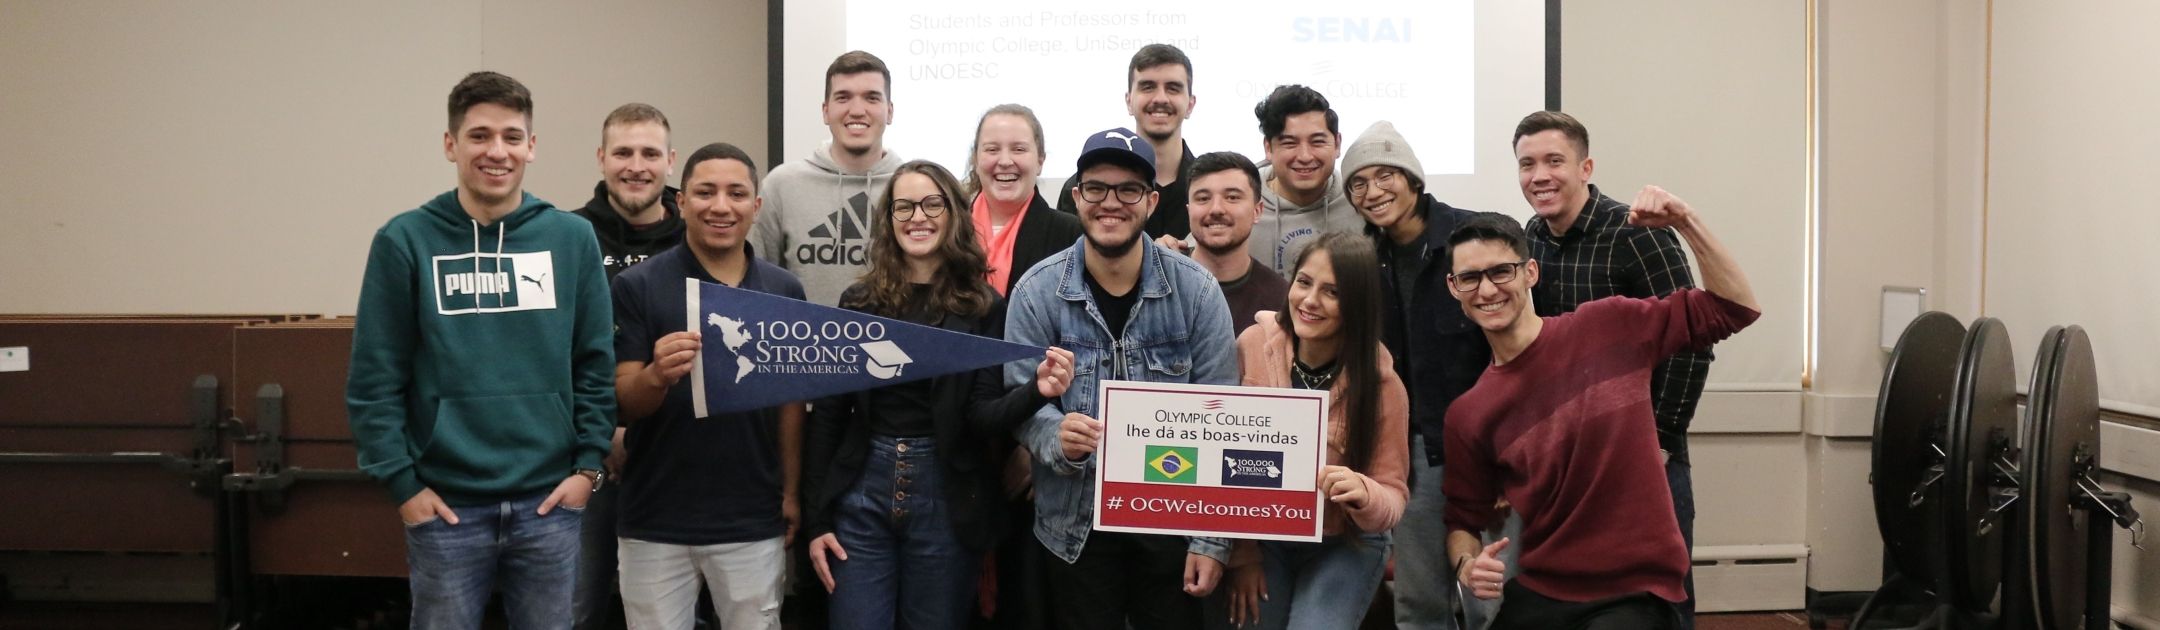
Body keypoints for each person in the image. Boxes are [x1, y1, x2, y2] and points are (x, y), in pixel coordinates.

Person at [346, 70, 614, 630]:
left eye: (513, 137)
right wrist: (403, 485)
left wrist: (587, 468)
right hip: (445, 508)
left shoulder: (569, 238)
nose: (498, 151)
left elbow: (593, 363)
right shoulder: (405, 240)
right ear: (451, 145)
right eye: (480, 135)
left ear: (532, 146)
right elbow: (374, 378)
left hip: (549, 505)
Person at [1441, 197, 1758, 629]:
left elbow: (1735, 307)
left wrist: (1686, 221)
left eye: (1501, 271)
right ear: (1453, 288)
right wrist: (1467, 565)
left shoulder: (1609, 327)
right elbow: (1464, 519)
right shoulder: (1470, 414)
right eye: (1469, 278)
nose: (1487, 289)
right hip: (1543, 589)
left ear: (1530, 272)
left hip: (1632, 592)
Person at [800, 159, 1078, 629]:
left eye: (932, 203)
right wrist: (817, 521)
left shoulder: (984, 306)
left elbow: (982, 416)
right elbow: (829, 415)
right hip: (860, 496)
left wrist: (1038, 391)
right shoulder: (859, 302)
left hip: (947, 501)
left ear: (953, 214)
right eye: (903, 206)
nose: (918, 216)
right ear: (888, 221)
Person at [1004, 127, 1237, 630]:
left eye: (1128, 189)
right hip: (1074, 530)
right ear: (1076, 197)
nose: (1111, 202)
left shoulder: (1197, 292)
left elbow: (1226, 421)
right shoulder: (1035, 293)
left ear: (1151, 201)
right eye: (1096, 188)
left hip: (1173, 525)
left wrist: (1210, 540)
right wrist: (1054, 436)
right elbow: (1019, 399)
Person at [1513, 110, 1715, 627]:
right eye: (1527, 164)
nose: (1539, 175)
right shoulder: (1530, 240)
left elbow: (1693, 341)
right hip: (1566, 469)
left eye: (1554, 161)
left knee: (1660, 605)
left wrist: (1661, 441)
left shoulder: (1638, 234)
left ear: (1586, 167)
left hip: (1646, 462)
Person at [609, 143, 804, 630]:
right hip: (654, 515)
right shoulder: (638, 286)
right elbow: (622, 398)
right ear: (681, 202)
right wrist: (655, 376)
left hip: (751, 517)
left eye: (737, 193)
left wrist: (792, 492)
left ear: (756, 207)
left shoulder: (784, 291)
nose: (721, 206)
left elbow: (791, 407)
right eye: (705, 192)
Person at [1337, 121, 1494, 629]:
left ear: (1413, 179)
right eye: (1358, 183)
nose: (1373, 191)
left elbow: (1514, 348)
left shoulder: (1474, 238)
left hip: (1488, 452)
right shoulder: (1362, 258)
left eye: (1385, 175)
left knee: (1492, 602)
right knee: (1420, 602)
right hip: (1410, 456)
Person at [1224, 232, 1410, 630]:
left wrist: (1365, 493)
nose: (1309, 301)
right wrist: (1242, 553)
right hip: (1263, 540)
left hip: (1344, 542)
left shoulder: (1383, 384)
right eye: (1304, 282)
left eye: (1332, 292)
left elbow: (1393, 495)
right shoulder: (1252, 345)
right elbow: (1220, 464)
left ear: (1356, 306)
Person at [567, 101, 681, 630]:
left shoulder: (697, 237)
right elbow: (554, 349)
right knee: (577, 607)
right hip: (581, 458)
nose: (637, 165)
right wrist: (603, 432)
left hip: (677, 457)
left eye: (650, 153)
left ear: (670, 161)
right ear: (601, 158)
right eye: (623, 152)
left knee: (671, 612)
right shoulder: (564, 236)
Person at [755, 50, 903, 305]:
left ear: (889, 112)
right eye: (843, 98)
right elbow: (758, 285)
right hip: (800, 343)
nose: (857, 110)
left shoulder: (914, 188)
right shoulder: (781, 186)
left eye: (871, 98)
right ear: (825, 111)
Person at [1055, 43, 1199, 241]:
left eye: (1173, 88)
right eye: (1148, 87)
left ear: (1190, 104)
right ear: (1129, 101)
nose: (1160, 98)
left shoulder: (1207, 191)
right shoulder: (1083, 188)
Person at [965, 104, 1084, 296]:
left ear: (1040, 161)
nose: (1005, 161)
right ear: (975, 160)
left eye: (1019, 149)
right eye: (992, 149)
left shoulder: (1072, 236)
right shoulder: (950, 232)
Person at [1251, 85, 1365, 276]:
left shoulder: (1360, 202)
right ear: (1268, 148)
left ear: (1337, 144)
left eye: (1317, 142)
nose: (1304, 156)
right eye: (1289, 143)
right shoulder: (1241, 203)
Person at [1185, 151, 1287, 334]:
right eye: (1203, 199)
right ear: (1189, 210)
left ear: (1257, 211)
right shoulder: (1157, 285)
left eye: (1232, 197)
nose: (1216, 209)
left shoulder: (1281, 300)